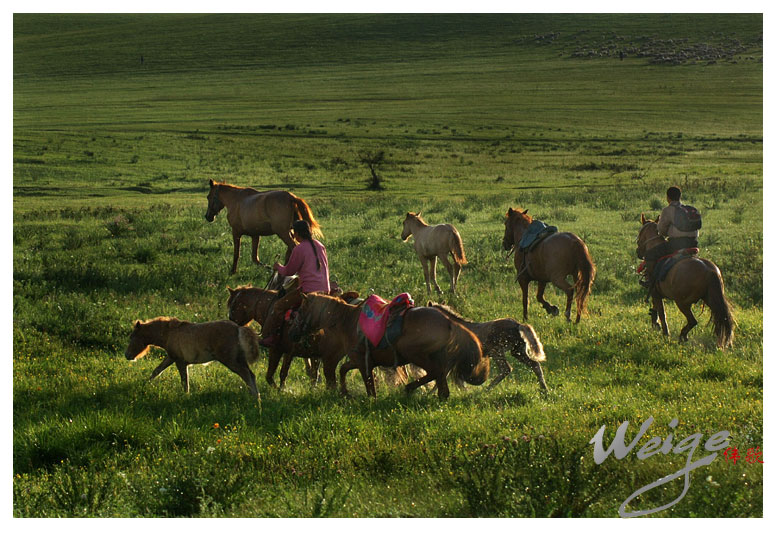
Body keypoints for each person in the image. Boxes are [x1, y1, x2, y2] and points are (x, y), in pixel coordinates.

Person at [259, 220, 330, 346]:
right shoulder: (320, 245)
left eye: (293, 233)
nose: (293, 236)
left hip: (308, 292)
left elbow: (289, 271)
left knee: (279, 306)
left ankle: (274, 337)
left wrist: (278, 267)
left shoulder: (299, 249)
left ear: (296, 233)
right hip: (325, 290)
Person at [640, 186, 699, 289]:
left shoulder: (668, 210)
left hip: (675, 245)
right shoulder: (689, 209)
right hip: (693, 243)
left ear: (668, 198)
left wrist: (667, 233)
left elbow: (661, 230)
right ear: (680, 197)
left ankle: (651, 281)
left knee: (650, 254)